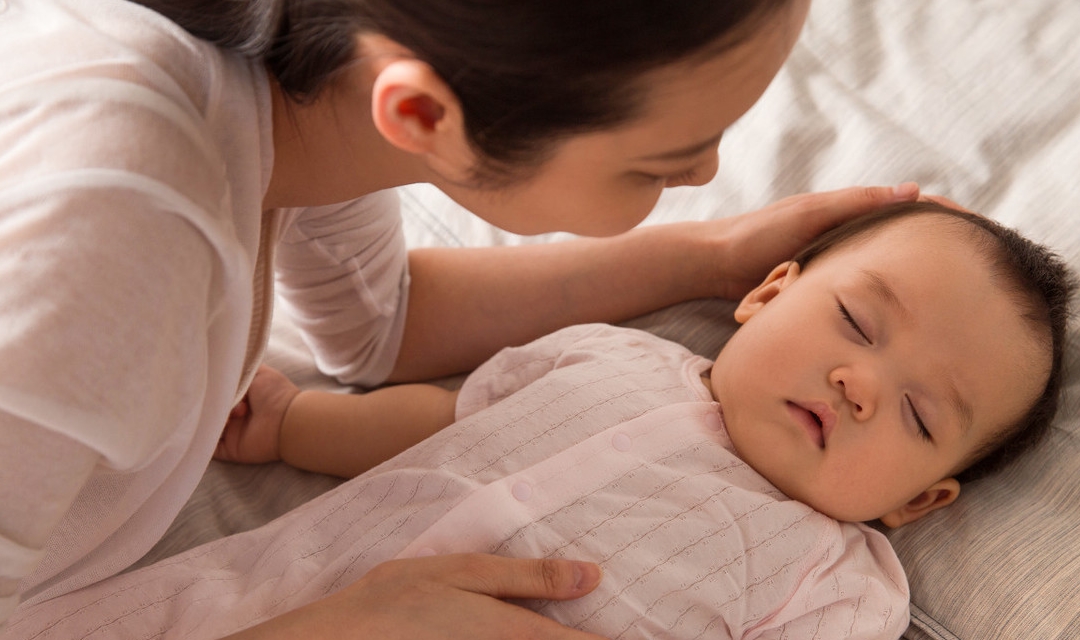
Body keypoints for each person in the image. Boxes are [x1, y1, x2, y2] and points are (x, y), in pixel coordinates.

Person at [0, 0, 926, 636]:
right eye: (661, 160)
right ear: (426, 114)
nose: (706, 177)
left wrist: (712, 256)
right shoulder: (113, 228)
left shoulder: (307, 69)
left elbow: (378, 326)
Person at [13, 202, 1073, 639]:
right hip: (245, 604)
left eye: (923, 415)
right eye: (853, 320)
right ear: (764, 292)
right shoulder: (617, 355)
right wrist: (295, 425)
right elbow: (445, 421)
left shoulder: (842, 579)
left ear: (916, 503)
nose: (859, 384)